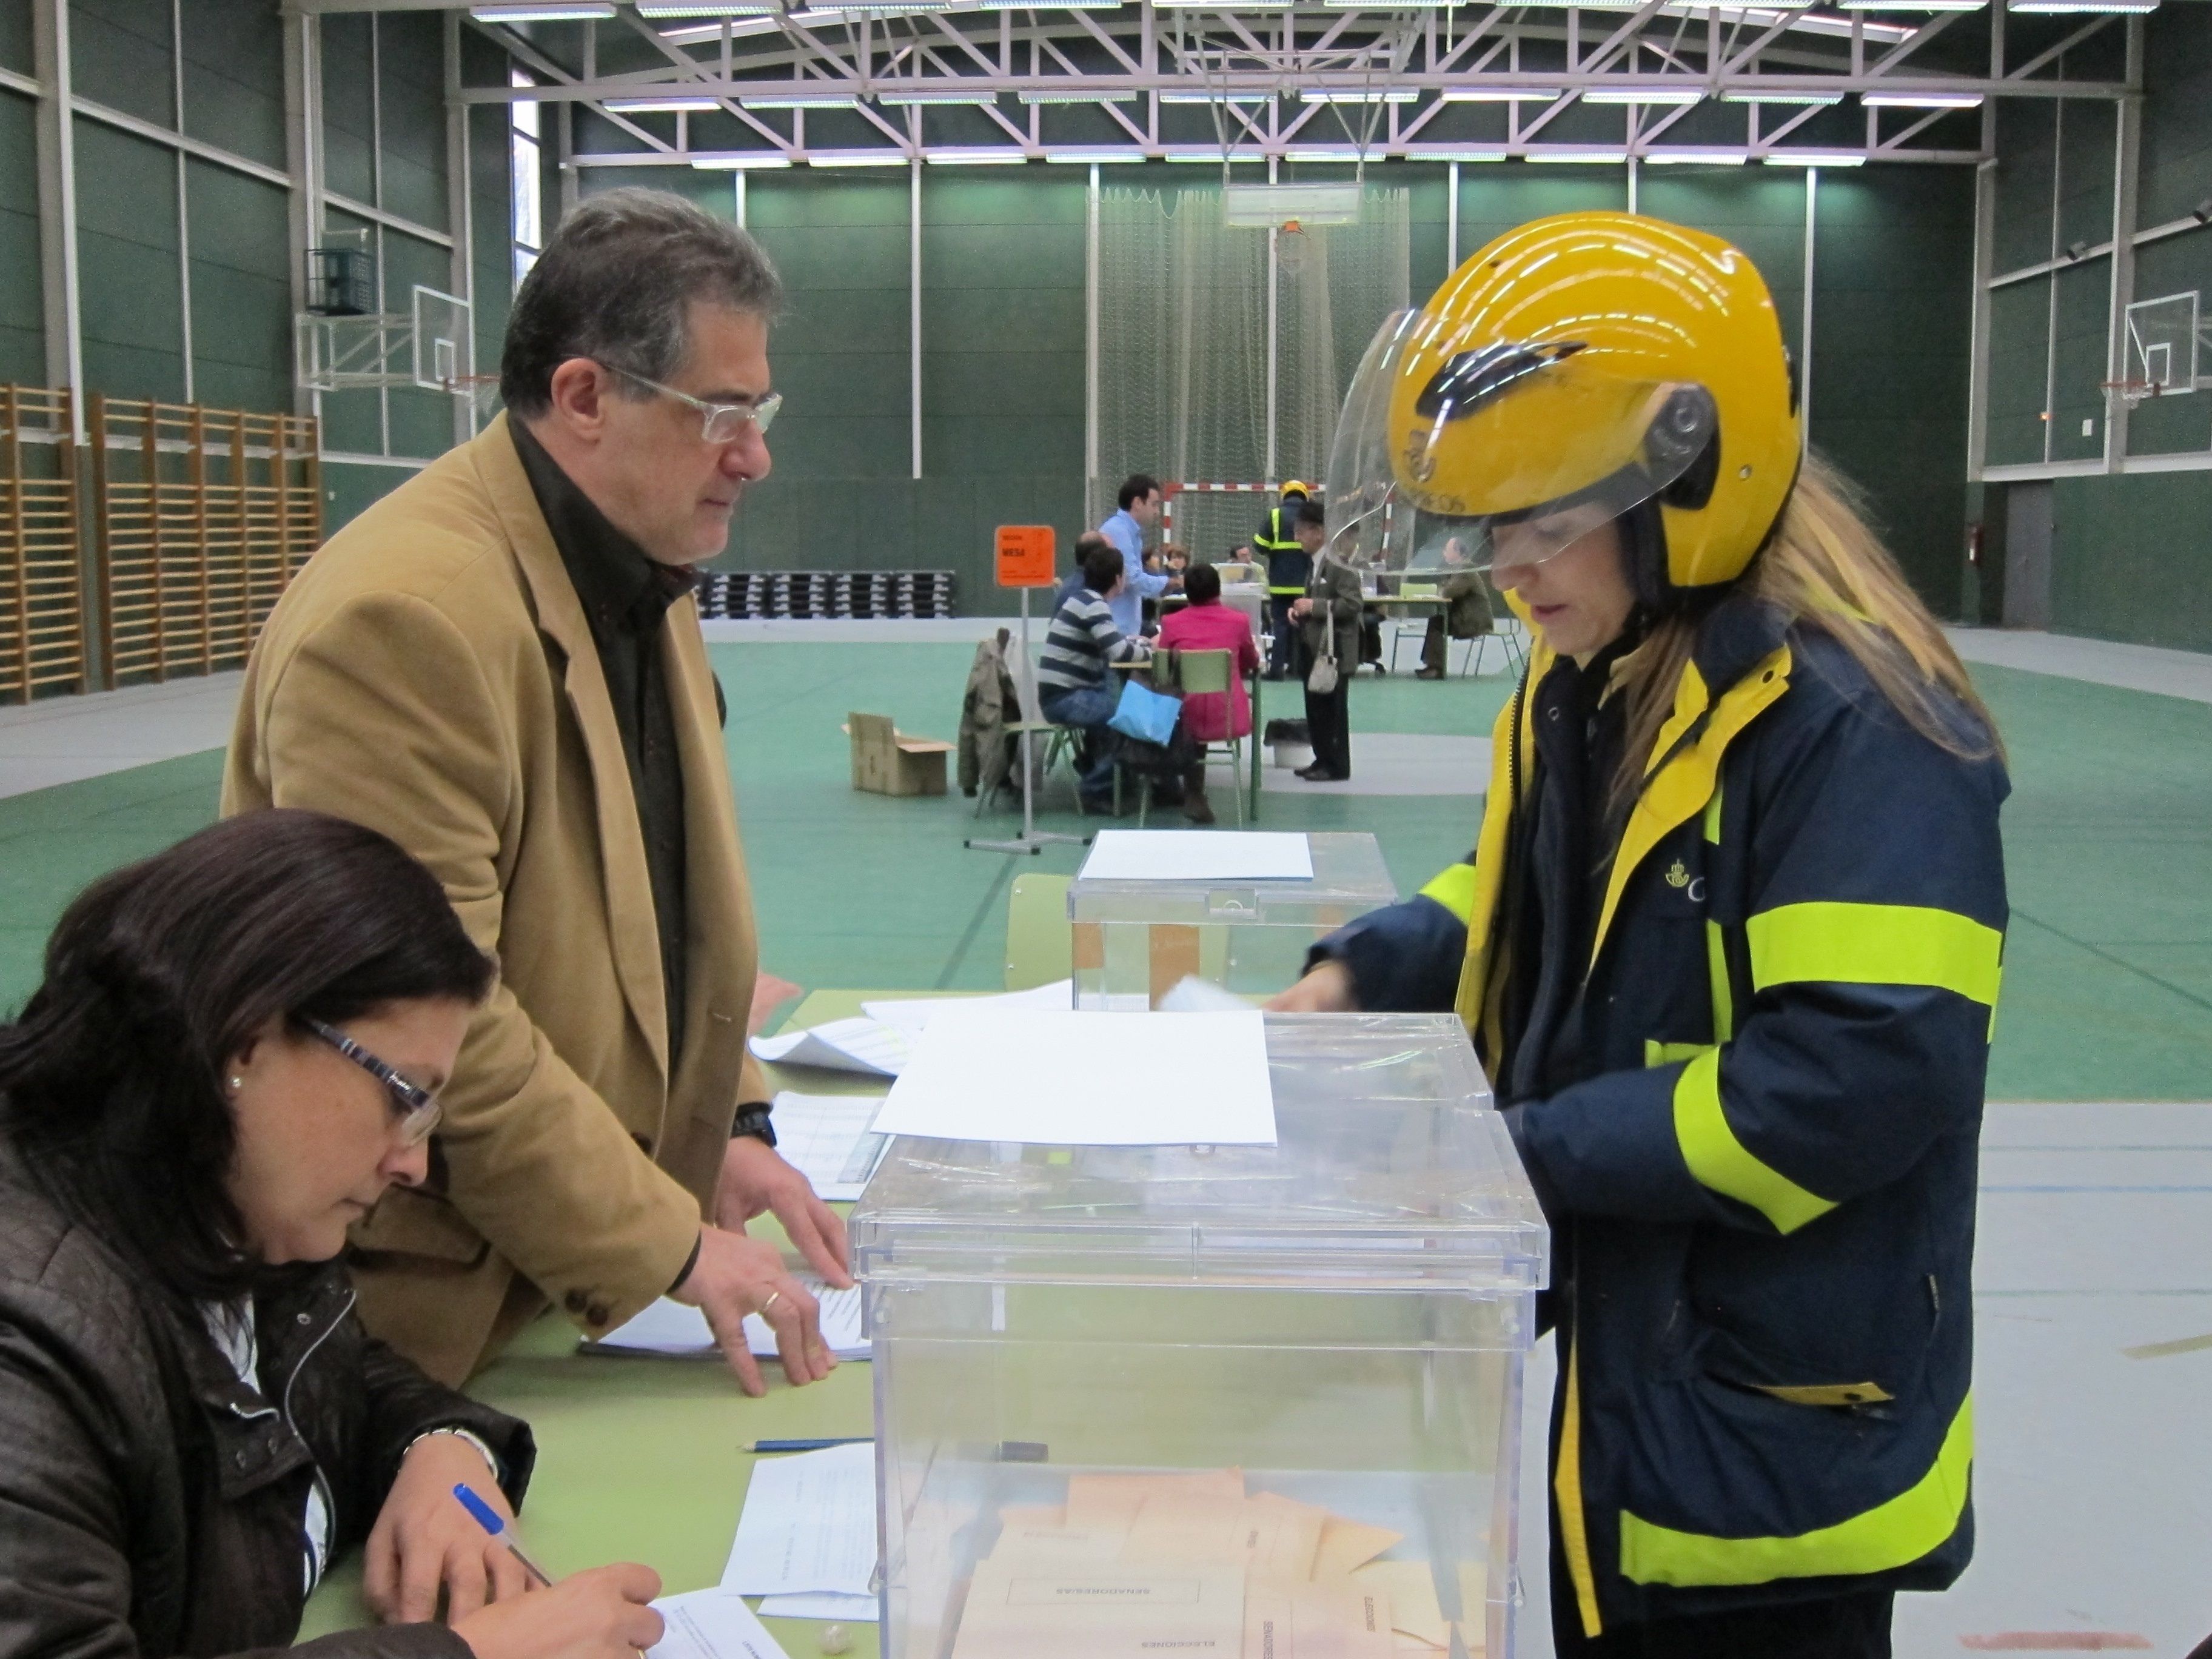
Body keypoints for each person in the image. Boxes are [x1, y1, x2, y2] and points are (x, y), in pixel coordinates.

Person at [1271, 213, 2006, 1658]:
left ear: (1685, 478)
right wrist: (1361, 968)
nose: (1504, 569)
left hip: (1766, 1434)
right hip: (1640, 1373)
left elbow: (1853, 1078)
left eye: (1540, 522)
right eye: (1485, 528)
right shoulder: (1600, 675)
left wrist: (1514, 1153)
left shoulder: (1860, 734)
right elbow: (1523, 889)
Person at [224, 188, 846, 1396]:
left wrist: (733, 1126)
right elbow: (429, 1024)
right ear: (584, 397)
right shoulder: (408, 620)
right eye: (722, 413)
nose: (756, 454)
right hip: (426, 1322)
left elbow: (667, 919)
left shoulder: (633, 561)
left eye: (760, 409)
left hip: (565, 1271)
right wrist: (662, 1244)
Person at [0, 809, 666, 1659]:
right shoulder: (28, 1334)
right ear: (246, 1039)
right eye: (402, 1096)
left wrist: (442, 1451)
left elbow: (341, 1381)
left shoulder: (217, 1212)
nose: (412, 1163)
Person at [1038, 539, 1151, 813]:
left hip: (1063, 692)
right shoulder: (1094, 605)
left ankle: (1099, 770)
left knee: (1116, 712)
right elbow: (1119, 653)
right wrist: (1153, 653)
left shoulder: (1085, 599)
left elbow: (1112, 641)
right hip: (1066, 697)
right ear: (1118, 579)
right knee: (1127, 721)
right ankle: (1095, 788)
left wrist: (1139, 645)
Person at [1156, 560, 1261, 825]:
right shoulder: (1239, 621)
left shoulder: (1171, 622)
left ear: (1187, 593)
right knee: (1207, 707)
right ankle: (1196, 795)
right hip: (1226, 716)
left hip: (1182, 718)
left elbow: (1164, 667)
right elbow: (1251, 662)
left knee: (1186, 710)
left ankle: (1188, 790)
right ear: (1219, 591)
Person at [1289, 501, 1358, 782]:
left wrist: (1313, 606)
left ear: (1319, 532)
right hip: (1315, 647)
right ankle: (1322, 759)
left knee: (1333, 710)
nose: (1297, 538)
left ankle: (1337, 765)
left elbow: (1353, 604)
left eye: (1301, 532)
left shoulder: (1339, 564)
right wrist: (1299, 612)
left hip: (1335, 650)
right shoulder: (1314, 565)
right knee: (1316, 707)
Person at [1242, 480, 1312, 681]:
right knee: (1305, 626)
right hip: (1306, 584)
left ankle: (1277, 671)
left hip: (1280, 583)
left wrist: (1276, 549)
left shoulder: (1275, 515)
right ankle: (1300, 669)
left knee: (1281, 626)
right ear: (1305, 495)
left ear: (1285, 495)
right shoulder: (1311, 516)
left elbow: (1260, 544)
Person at [1098, 474, 1171, 640]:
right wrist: (1170, 582)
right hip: (1116, 629)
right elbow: (1132, 579)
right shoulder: (1118, 531)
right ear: (1138, 503)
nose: (1157, 512)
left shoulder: (1130, 533)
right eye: (1154, 505)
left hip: (1125, 630)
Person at [1416, 535, 1495, 680]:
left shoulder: (1464, 570)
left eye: (1447, 549)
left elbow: (1447, 592)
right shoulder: (1459, 569)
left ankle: (1435, 668)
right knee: (1437, 621)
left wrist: (1443, 588)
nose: (1444, 553)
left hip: (1473, 621)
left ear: (1457, 552)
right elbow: (1445, 589)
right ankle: (1432, 666)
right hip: (1467, 617)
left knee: (1436, 623)